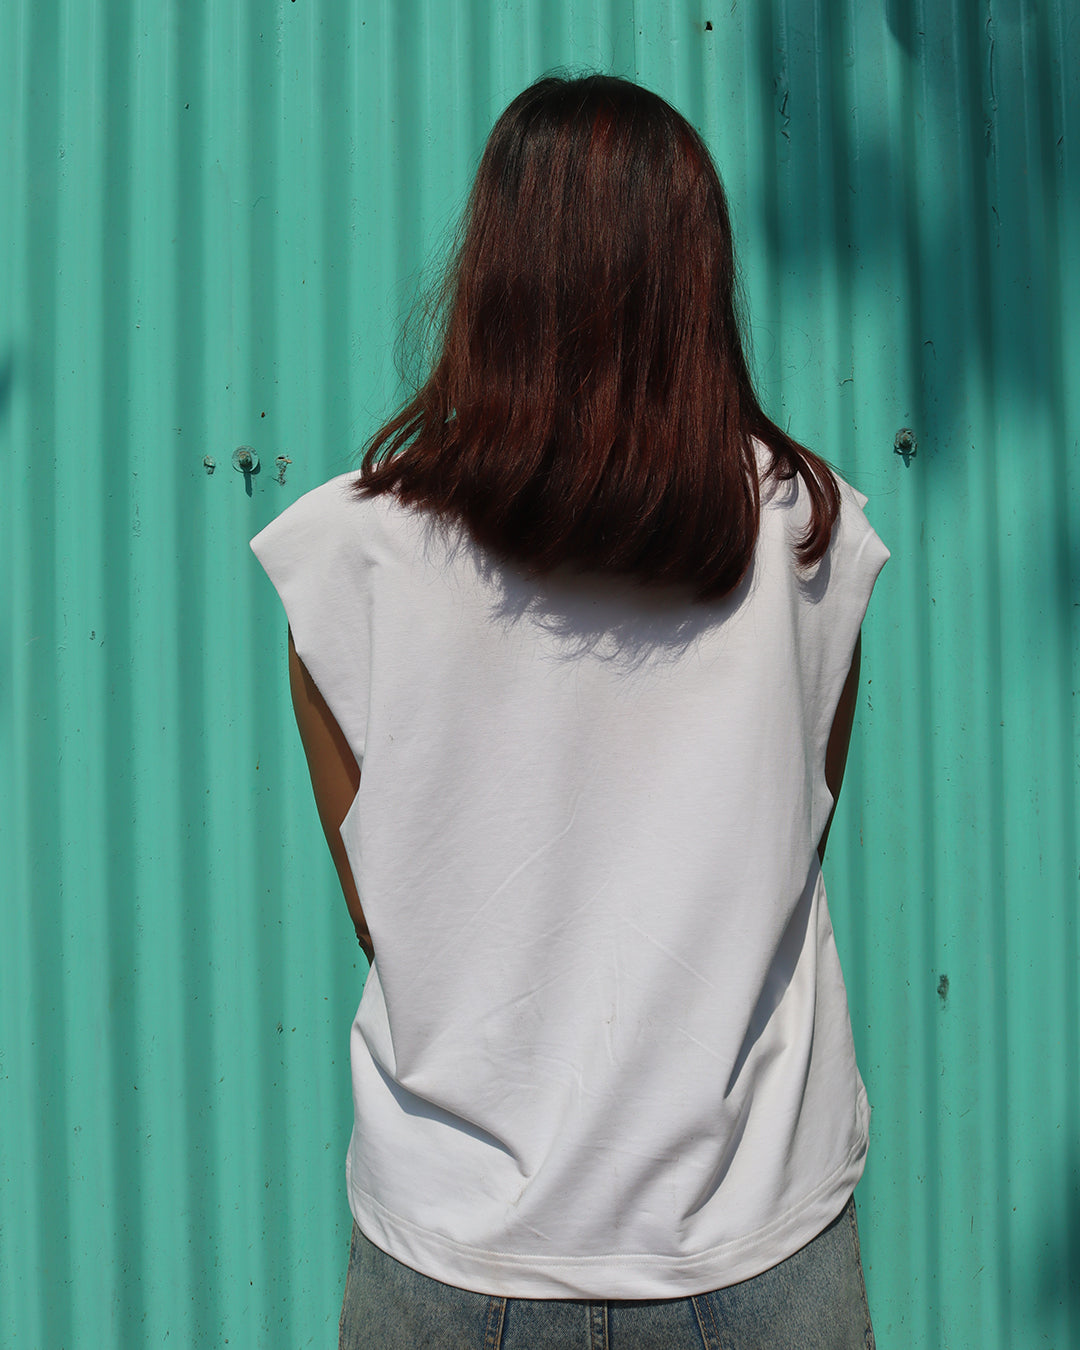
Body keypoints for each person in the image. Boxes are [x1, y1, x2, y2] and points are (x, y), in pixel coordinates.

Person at [252, 73, 888, 1350]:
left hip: (454, 1249)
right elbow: (793, 842)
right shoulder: (811, 537)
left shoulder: (349, 560)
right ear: (698, 278)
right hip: (753, 1240)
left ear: (494, 274)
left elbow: (391, 911)